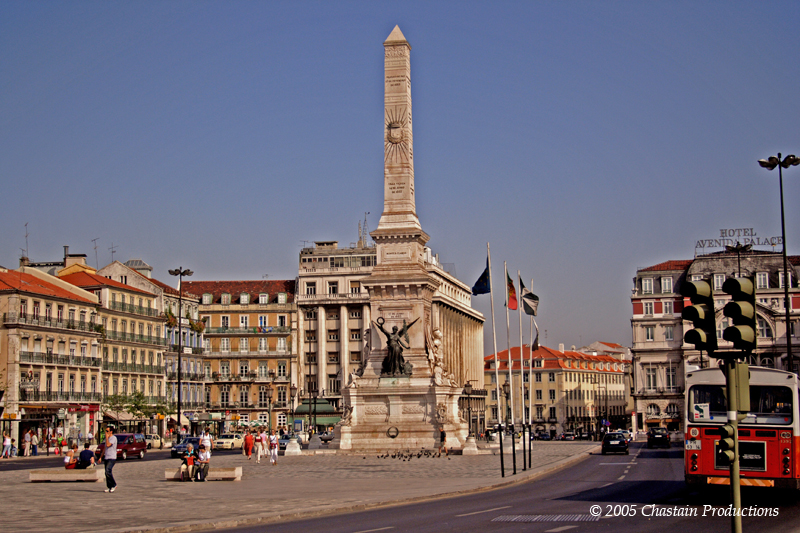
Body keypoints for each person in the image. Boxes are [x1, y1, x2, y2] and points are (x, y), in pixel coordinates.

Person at [102, 426, 118, 493]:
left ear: (111, 432)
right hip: (107, 457)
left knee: (108, 471)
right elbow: (105, 448)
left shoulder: (113, 438)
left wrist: (106, 437)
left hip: (112, 457)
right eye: (105, 431)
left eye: (107, 431)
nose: (106, 432)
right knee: (106, 473)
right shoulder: (107, 439)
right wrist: (100, 457)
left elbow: (108, 445)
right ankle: (109, 486)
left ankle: (114, 484)